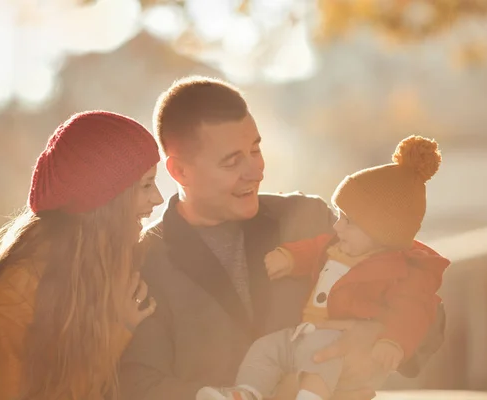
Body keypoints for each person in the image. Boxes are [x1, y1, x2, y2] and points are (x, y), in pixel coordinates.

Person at [119, 77, 446, 400]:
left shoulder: (312, 219)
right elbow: (140, 386)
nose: (255, 170)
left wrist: (374, 335)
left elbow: (423, 301)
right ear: (180, 172)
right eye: (232, 161)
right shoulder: (145, 262)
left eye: (255, 149)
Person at [196, 136, 450, 400]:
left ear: (379, 232)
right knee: (265, 349)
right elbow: (313, 249)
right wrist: (289, 257)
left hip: (331, 337)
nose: (337, 227)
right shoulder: (338, 245)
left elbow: (412, 309)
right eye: (339, 216)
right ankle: (247, 392)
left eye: (347, 221)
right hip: (301, 334)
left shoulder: (401, 270)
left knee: (321, 361)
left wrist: (390, 341)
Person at [0, 111, 163, 400]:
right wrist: (120, 328)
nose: (159, 198)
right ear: (106, 198)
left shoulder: (118, 258)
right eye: (145, 185)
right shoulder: (18, 288)